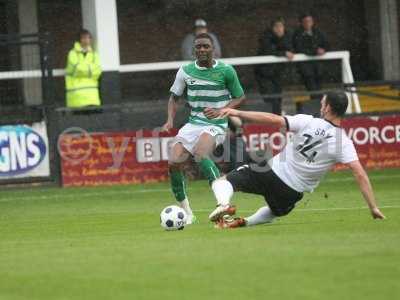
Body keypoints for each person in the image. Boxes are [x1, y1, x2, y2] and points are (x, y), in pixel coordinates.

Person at [204, 92, 385, 228]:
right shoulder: (343, 142)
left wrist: (236, 112)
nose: (321, 107)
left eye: (322, 103)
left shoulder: (309, 121)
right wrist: (373, 207)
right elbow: (360, 174)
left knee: (223, 182)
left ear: (328, 108)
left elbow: (273, 119)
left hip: (269, 173)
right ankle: (244, 222)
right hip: (291, 193)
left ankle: (224, 204)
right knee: (275, 211)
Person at [162, 33, 245, 224]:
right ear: (194, 50)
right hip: (193, 124)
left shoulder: (226, 71)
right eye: (198, 47)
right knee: (174, 162)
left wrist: (223, 110)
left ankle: (222, 202)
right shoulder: (185, 71)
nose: (201, 50)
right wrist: (169, 120)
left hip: (216, 124)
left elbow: (240, 96)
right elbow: (174, 98)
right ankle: (187, 214)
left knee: (200, 154)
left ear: (212, 48)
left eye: (205, 46)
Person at [255, 17, 294, 114]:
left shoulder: (287, 36)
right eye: (276, 26)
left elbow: (291, 48)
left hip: (278, 72)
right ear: (272, 28)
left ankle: (277, 118)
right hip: (264, 73)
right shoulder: (265, 37)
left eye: (281, 26)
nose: (279, 29)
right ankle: (271, 119)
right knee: (269, 98)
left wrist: (285, 50)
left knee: (278, 97)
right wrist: (283, 53)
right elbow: (268, 50)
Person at [293, 13, 329, 115]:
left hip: (318, 68)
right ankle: (317, 113)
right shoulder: (298, 34)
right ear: (301, 23)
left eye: (310, 21)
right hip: (307, 69)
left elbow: (326, 44)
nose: (308, 23)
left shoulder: (318, 32)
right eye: (306, 21)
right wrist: (315, 51)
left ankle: (321, 112)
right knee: (313, 91)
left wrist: (324, 49)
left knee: (319, 90)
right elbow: (299, 48)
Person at [65, 29, 102, 108]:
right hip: (76, 98)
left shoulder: (94, 54)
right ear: (79, 40)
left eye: (88, 38)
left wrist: (82, 70)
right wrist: (90, 70)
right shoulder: (72, 53)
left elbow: (98, 71)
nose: (86, 40)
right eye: (84, 38)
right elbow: (76, 69)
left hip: (92, 97)